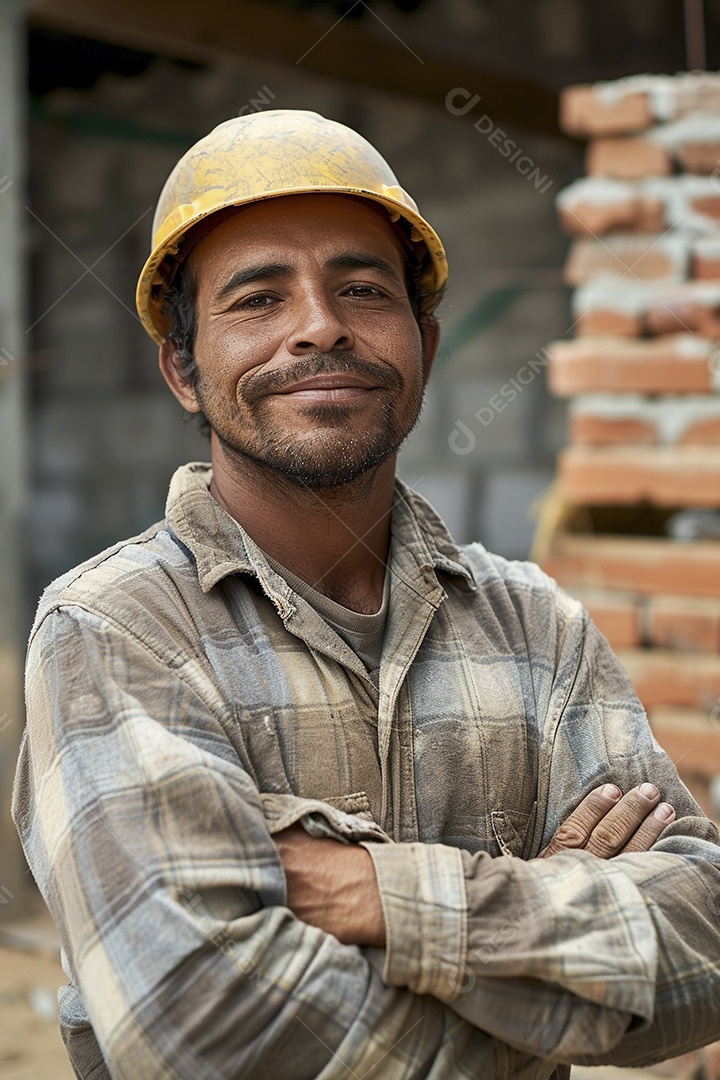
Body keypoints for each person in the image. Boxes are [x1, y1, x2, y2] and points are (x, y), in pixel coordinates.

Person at [12, 110, 720, 1080]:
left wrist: (384, 893)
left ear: (423, 343)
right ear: (184, 367)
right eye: (259, 299)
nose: (320, 326)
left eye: (360, 288)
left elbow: (704, 946)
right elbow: (200, 1031)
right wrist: (551, 945)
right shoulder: (119, 630)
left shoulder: (535, 626)